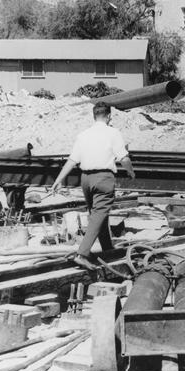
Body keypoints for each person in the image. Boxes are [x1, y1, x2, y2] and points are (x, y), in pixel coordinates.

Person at [51, 102, 135, 271]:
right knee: (98, 214)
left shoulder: (83, 135)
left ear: (93, 116)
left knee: (97, 215)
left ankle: (107, 249)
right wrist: (131, 172)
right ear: (109, 116)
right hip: (103, 178)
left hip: (86, 179)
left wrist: (58, 180)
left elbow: (72, 160)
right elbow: (124, 158)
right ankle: (82, 254)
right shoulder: (113, 132)